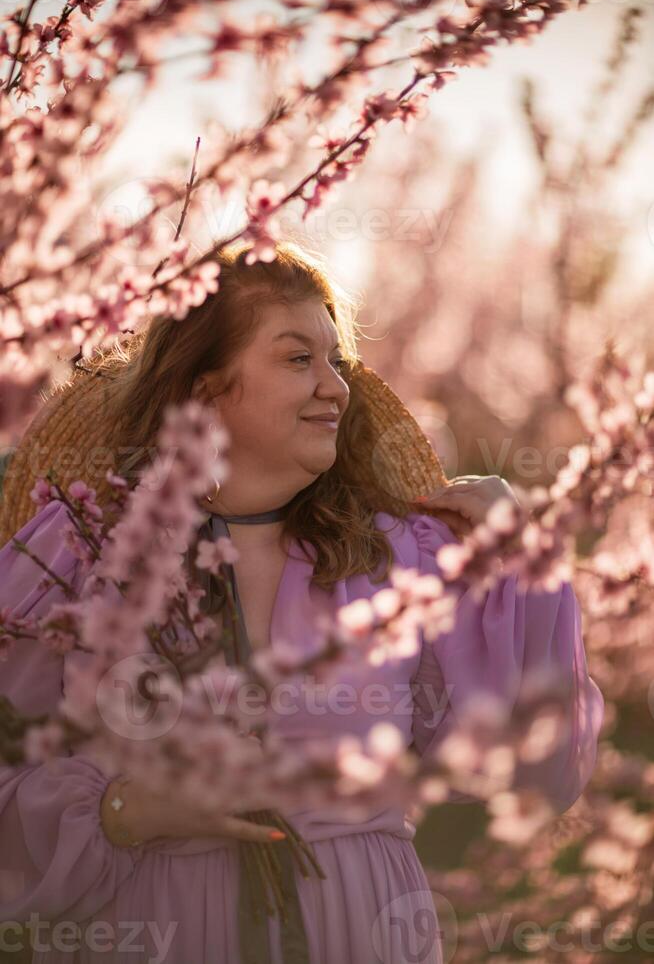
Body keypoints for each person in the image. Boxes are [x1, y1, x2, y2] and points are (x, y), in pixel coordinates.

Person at [0, 242, 604, 963]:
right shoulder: (85, 549)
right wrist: (123, 810)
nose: (335, 388)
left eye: (336, 362)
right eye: (297, 360)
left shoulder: (399, 558)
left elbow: (535, 768)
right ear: (205, 387)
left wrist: (520, 560)